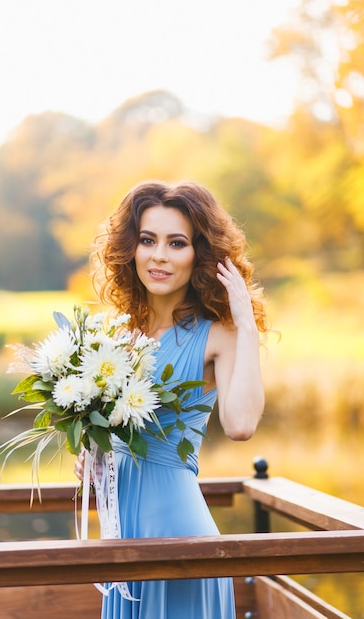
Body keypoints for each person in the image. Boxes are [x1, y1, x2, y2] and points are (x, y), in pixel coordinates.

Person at [74, 180, 267, 619]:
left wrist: (246, 324)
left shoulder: (218, 335)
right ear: (132, 250)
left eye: (176, 243)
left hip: (179, 533)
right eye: (148, 240)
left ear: (199, 254)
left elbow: (240, 426)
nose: (159, 255)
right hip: (122, 538)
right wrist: (96, 455)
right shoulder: (116, 338)